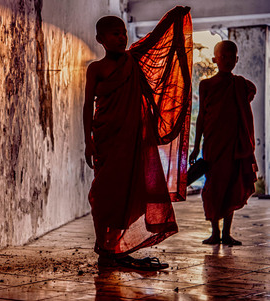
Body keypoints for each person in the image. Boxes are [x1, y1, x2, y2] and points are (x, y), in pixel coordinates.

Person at [84, 6, 192, 270]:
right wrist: (87, 140)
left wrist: (174, 21)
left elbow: (158, 43)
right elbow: (88, 105)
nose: (122, 38)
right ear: (100, 39)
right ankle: (105, 247)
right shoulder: (96, 68)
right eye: (114, 34)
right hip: (107, 138)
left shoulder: (134, 61)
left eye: (123, 33)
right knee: (103, 194)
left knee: (126, 194)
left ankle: (113, 250)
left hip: (132, 140)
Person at [189, 40, 257, 246]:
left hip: (234, 146)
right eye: (223, 57)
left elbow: (245, 104)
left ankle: (226, 233)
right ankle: (214, 233)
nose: (227, 60)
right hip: (214, 144)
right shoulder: (206, 85)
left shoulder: (241, 85)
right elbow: (201, 116)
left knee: (231, 187)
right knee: (214, 187)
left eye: (231, 57)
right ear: (215, 59)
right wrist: (196, 146)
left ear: (236, 60)